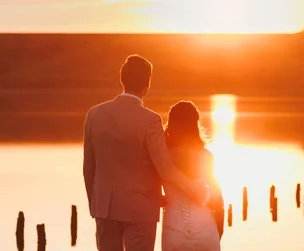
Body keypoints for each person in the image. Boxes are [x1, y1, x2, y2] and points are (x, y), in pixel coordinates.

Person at [83, 55, 208, 251]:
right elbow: (165, 169)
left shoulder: (95, 114)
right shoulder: (150, 120)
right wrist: (198, 192)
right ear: (147, 84)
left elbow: (89, 168)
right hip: (140, 211)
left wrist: (96, 204)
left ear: (122, 79)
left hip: (104, 209)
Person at [162, 101, 224, 251]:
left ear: (171, 124)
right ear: (195, 125)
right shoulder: (206, 156)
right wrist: (217, 233)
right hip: (206, 232)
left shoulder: (163, 158)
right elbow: (218, 201)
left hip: (173, 233)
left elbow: (151, 193)